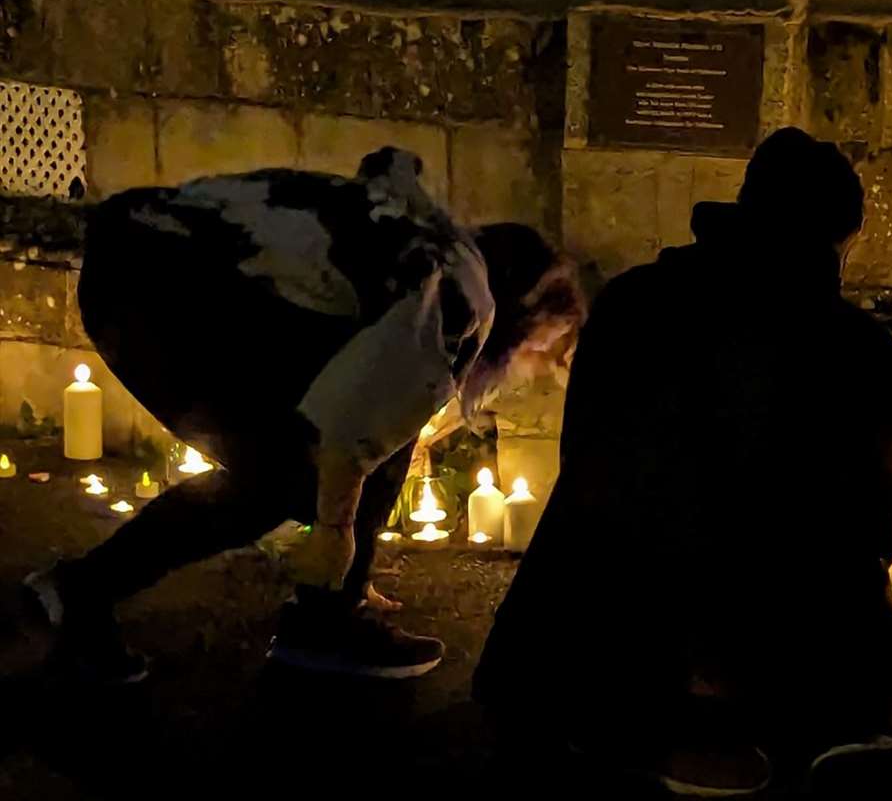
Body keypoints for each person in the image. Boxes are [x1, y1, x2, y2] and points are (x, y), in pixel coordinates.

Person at [471, 129, 892, 797]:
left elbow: (589, 472)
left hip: (594, 639)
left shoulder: (629, 303)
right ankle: (805, 736)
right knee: (827, 640)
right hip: (778, 651)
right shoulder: (857, 349)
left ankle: (638, 728)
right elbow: (867, 529)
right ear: (840, 240)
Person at [25, 148, 583, 683]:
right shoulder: (458, 299)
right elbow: (351, 435)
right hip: (159, 287)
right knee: (276, 484)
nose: (536, 369)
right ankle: (92, 592)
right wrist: (336, 540)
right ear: (522, 314)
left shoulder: (436, 248)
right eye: (545, 347)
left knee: (301, 466)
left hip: (145, 250)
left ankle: (328, 610)